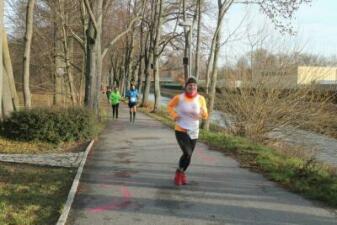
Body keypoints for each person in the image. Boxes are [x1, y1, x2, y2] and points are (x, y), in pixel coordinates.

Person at [167, 77, 208, 185]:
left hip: (194, 130)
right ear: (186, 87)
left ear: (197, 87)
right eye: (190, 85)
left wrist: (203, 114)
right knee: (187, 152)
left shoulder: (201, 99)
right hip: (181, 129)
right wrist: (174, 115)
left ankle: (181, 172)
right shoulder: (179, 98)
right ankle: (179, 173)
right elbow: (169, 106)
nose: (192, 87)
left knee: (189, 156)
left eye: (194, 85)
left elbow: (205, 114)